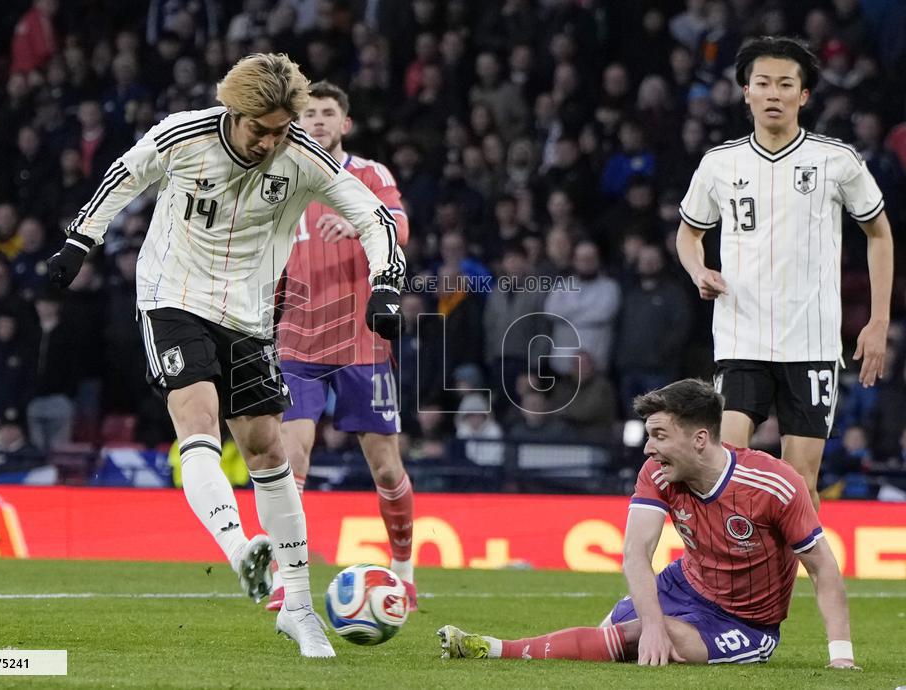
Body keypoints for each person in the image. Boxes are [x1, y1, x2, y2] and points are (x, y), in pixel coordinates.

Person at [46, 53, 405, 658]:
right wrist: (81, 240)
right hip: (173, 296)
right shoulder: (183, 135)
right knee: (198, 421)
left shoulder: (302, 158)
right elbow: (124, 176)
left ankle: (298, 609)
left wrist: (387, 284)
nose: (270, 142)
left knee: (266, 449)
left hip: (250, 312)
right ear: (233, 114)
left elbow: (373, 217)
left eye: (281, 130)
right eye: (259, 129)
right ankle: (241, 549)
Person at [439, 379, 859, 671]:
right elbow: (636, 554)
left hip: (744, 622)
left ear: (698, 439)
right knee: (619, 638)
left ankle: (493, 649)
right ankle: (493, 649)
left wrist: (840, 655)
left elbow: (822, 568)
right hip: (685, 584)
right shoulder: (657, 472)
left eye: (659, 435)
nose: (648, 447)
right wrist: (655, 626)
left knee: (635, 637)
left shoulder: (774, 483)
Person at [675, 36, 894, 509]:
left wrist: (877, 323)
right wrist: (698, 270)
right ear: (746, 92)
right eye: (763, 83)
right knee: (726, 469)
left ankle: (797, 583)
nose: (773, 93)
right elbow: (687, 235)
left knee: (799, 486)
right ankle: (733, 580)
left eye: (785, 84)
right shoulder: (719, 163)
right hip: (741, 336)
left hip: (810, 341)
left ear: (804, 95)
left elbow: (880, 233)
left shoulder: (836, 161)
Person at [272, 81, 416, 611]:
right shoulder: (282, 178)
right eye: (307, 113)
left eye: (327, 113)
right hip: (297, 339)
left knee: (384, 466)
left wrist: (358, 220)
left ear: (345, 123)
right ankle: (290, 578)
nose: (317, 121)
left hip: (361, 340)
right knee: (291, 458)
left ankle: (403, 568)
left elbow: (398, 228)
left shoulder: (370, 175)